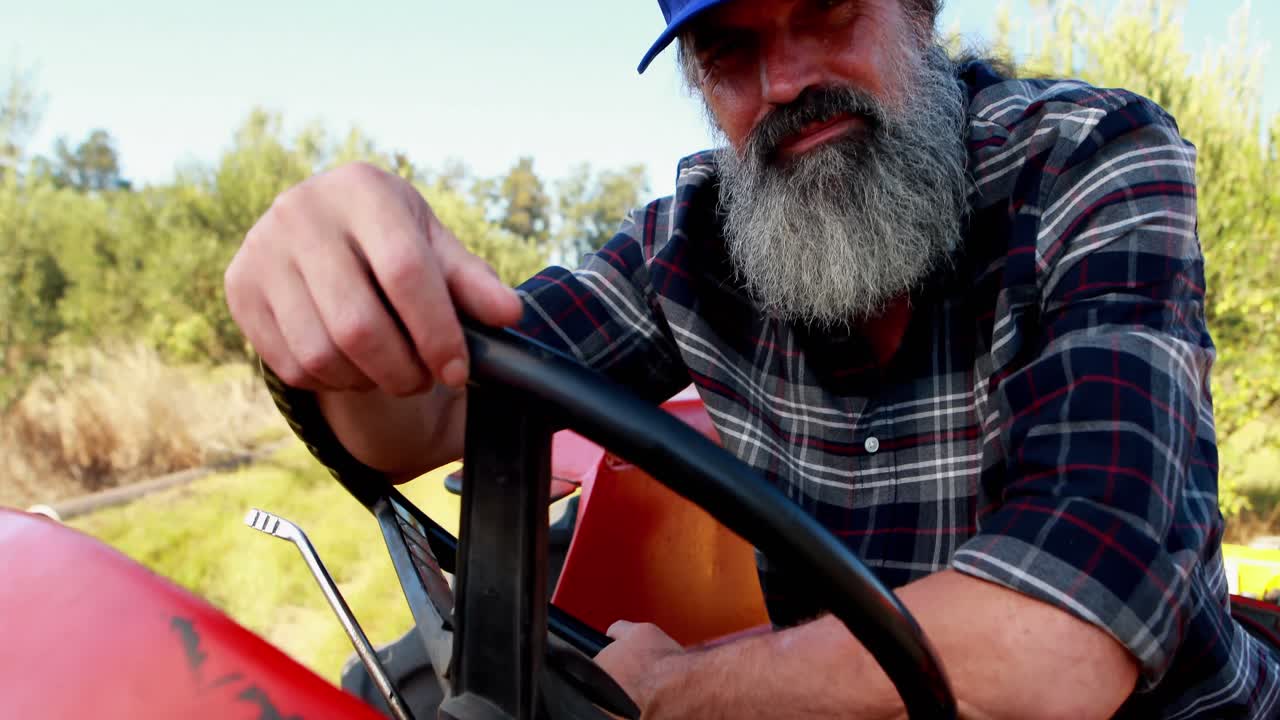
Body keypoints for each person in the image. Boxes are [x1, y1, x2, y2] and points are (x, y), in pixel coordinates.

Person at [223, 0, 1280, 717]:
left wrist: (691, 688)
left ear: (915, 10)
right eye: (728, 47)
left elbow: (1067, 639)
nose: (783, 81)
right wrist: (339, 327)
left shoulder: (1092, 161)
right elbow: (429, 415)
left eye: (822, 8)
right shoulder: (692, 240)